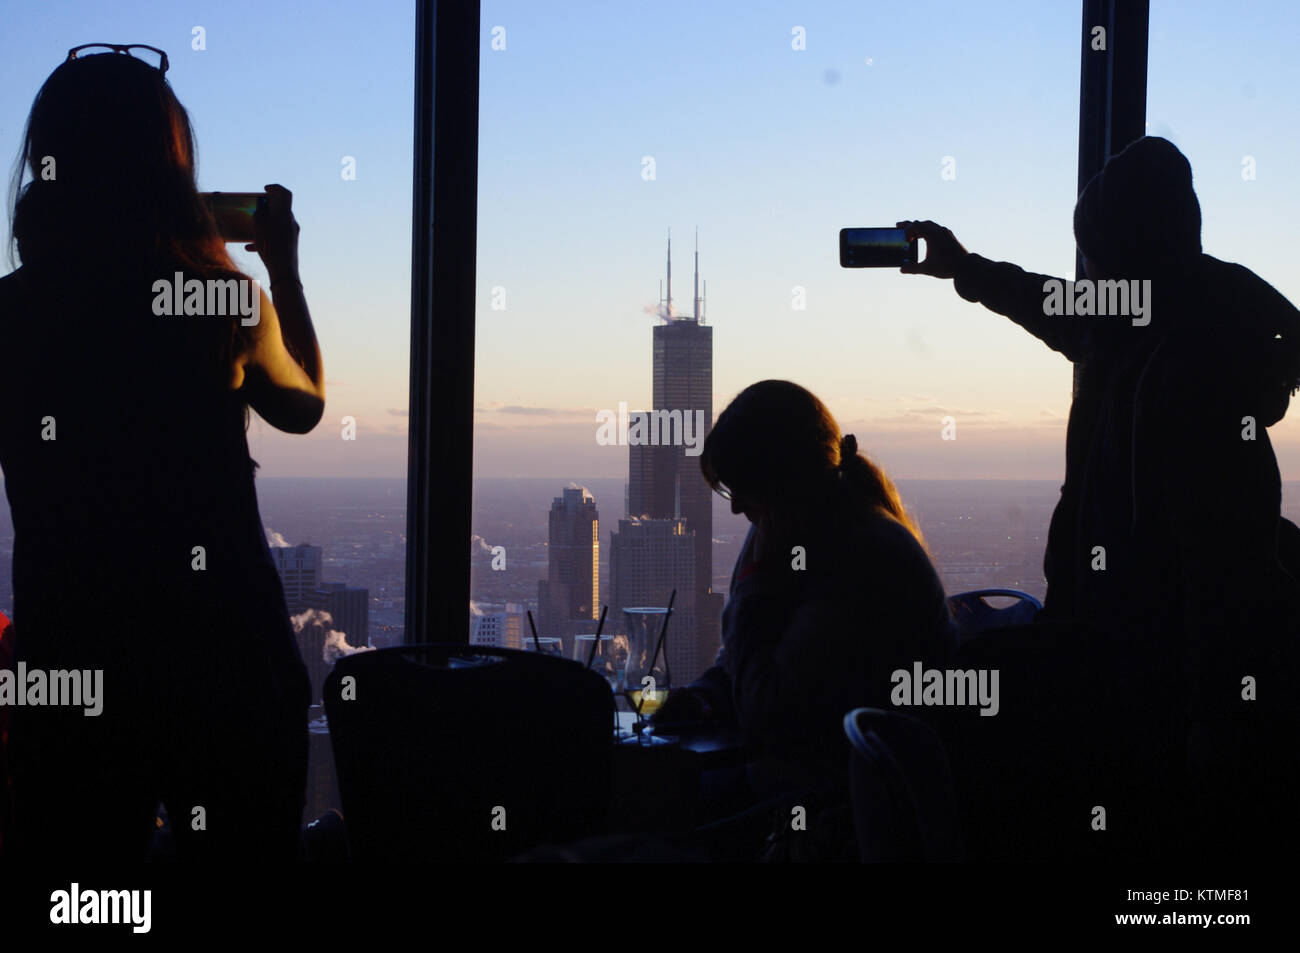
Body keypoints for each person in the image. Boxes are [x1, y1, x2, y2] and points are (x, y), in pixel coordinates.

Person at [898, 136, 1300, 854]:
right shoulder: (1161, 326)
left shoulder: (1176, 378)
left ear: (1115, 253)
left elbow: (1218, 584)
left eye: (1092, 252)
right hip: (1134, 679)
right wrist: (964, 268)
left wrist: (1207, 732)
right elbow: (1049, 302)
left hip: (1138, 692)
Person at [0, 46, 323, 861]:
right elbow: (305, 405)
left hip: (70, 656)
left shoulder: (12, 314)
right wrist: (279, 265)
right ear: (171, 167)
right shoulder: (219, 301)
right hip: (226, 655)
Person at [656, 380, 956, 860]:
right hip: (811, 795)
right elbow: (747, 665)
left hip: (827, 818)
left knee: (654, 816)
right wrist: (704, 698)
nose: (735, 506)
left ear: (780, 481)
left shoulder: (860, 562)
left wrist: (753, 583)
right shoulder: (805, 532)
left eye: (741, 487)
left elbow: (769, 712)